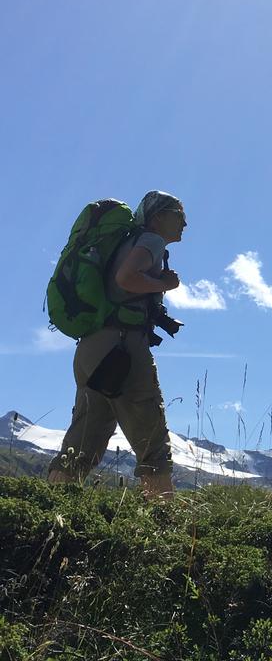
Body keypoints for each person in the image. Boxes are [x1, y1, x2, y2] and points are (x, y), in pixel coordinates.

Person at [47, 191, 187, 499]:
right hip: (122, 347)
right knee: (151, 436)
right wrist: (165, 284)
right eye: (179, 214)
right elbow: (127, 278)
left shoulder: (123, 243)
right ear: (158, 217)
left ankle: (50, 509)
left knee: (84, 437)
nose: (185, 223)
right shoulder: (151, 240)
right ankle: (164, 523)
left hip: (92, 347)